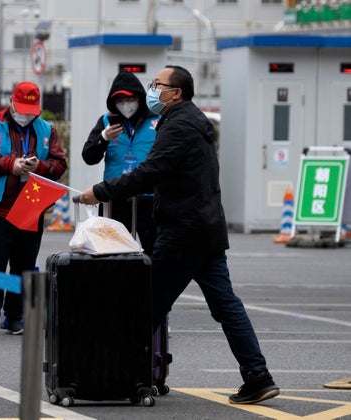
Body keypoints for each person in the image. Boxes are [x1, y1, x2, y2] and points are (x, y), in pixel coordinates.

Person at [79, 65, 280, 405]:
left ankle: (117, 377)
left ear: (177, 93)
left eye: (158, 84)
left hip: (184, 233)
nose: (152, 89)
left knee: (146, 306)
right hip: (206, 229)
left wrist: (99, 191)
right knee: (226, 306)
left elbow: (148, 172)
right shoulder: (193, 122)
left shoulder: (179, 126)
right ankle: (258, 375)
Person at [0, 81, 67, 337]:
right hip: (0, 207)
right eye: (22, 107)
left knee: (24, 264)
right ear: (12, 102)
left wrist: (38, 167)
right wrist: (10, 165)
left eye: (31, 109)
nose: (26, 114)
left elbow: (59, 164)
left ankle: (14, 317)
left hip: (32, 205)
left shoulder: (47, 129)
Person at [82, 69, 159, 254]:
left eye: (129, 99)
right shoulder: (106, 121)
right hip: (115, 198)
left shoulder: (157, 120)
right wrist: (103, 137)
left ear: (140, 98)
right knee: (113, 254)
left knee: (156, 253)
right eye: (120, 100)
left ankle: (152, 283)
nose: (125, 105)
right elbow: (89, 157)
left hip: (149, 199)